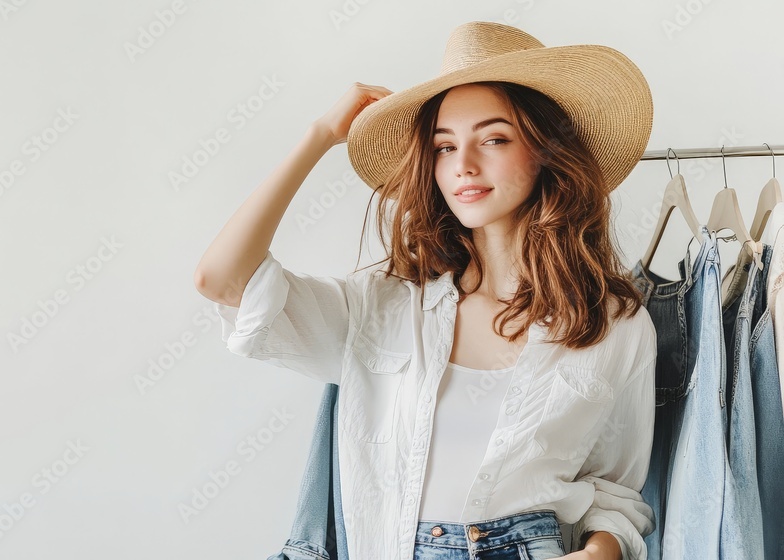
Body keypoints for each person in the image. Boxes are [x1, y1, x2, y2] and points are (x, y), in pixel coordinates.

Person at [194, 21, 657, 560]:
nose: (463, 165)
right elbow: (223, 281)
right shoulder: (382, 306)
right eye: (443, 146)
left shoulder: (614, 324)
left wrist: (603, 551)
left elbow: (615, 490)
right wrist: (320, 134)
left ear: (544, 151)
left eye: (494, 139)